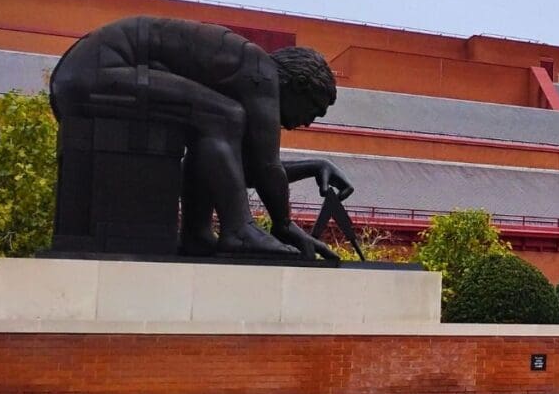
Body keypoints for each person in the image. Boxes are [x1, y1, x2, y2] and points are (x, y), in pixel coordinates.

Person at [49, 15, 352, 259]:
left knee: (212, 121)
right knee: (222, 115)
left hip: (82, 76)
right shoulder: (261, 72)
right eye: (313, 110)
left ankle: (197, 234)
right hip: (98, 70)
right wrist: (284, 225)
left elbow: (235, 171)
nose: (308, 123)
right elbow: (264, 167)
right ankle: (240, 231)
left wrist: (313, 166)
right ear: (298, 84)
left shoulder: (244, 71)